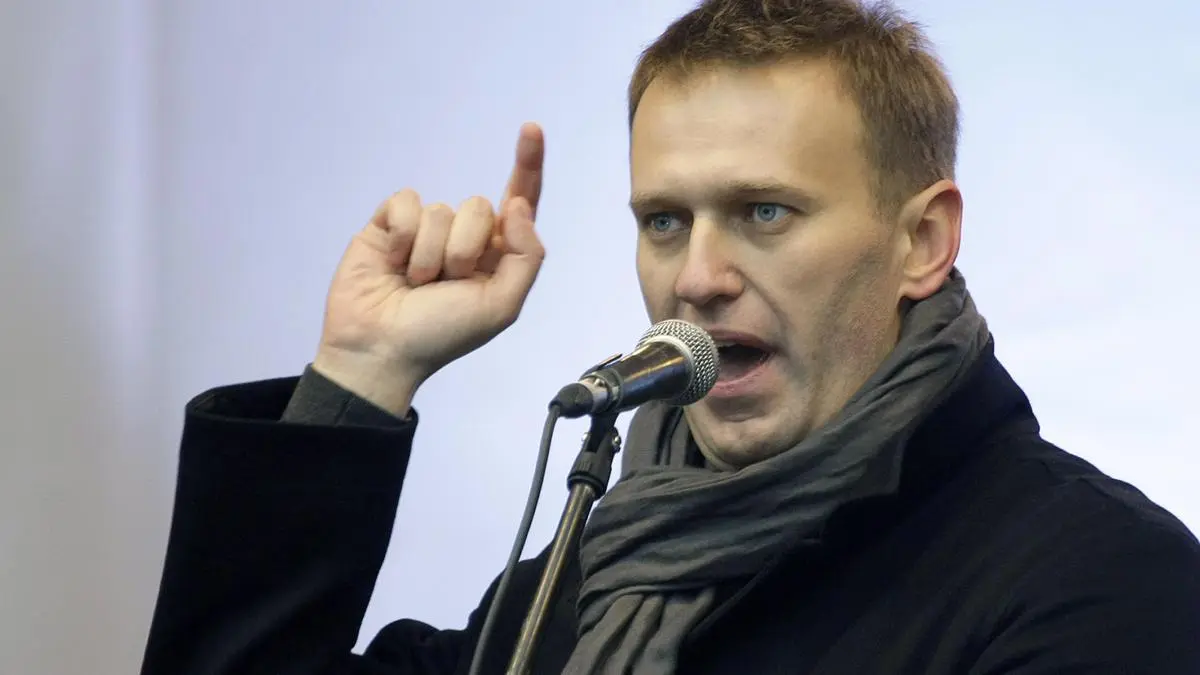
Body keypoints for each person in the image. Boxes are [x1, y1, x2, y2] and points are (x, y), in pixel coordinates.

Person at [139, 1, 1200, 673]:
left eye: (764, 211)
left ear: (921, 240)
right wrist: (363, 372)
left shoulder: (1100, 579)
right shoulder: (600, 570)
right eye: (663, 220)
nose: (695, 276)